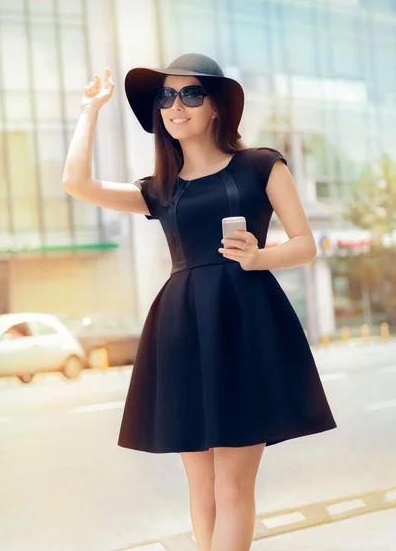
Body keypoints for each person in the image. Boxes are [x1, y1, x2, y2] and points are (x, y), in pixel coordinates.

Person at [63, 53, 337, 551]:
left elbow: (305, 244)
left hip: (244, 323)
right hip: (183, 327)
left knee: (232, 484)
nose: (175, 105)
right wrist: (89, 111)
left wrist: (258, 257)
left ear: (215, 107)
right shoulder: (161, 190)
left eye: (190, 94)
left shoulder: (260, 165)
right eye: (165, 97)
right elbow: (76, 185)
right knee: (202, 486)